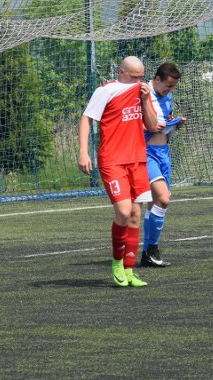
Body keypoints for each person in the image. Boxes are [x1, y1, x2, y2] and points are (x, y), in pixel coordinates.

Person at [78, 56, 160, 287]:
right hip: (113, 160)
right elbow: (86, 119)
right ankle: (116, 263)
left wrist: (145, 100)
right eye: (134, 77)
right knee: (124, 212)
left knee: (135, 216)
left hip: (137, 161)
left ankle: (129, 270)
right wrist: (84, 152)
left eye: (142, 77)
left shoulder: (144, 91)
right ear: (121, 72)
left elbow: (152, 126)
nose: (138, 81)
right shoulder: (106, 91)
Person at [141, 62, 186, 268]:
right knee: (163, 198)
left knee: (154, 204)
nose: (170, 90)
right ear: (157, 79)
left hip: (163, 153)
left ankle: (147, 253)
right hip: (146, 153)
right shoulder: (142, 92)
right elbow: (132, 122)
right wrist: (149, 126)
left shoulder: (167, 96)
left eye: (173, 87)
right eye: (167, 86)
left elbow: (164, 121)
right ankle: (152, 248)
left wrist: (174, 123)